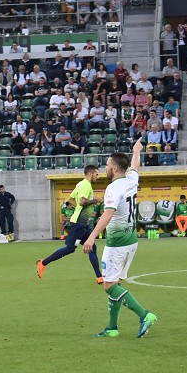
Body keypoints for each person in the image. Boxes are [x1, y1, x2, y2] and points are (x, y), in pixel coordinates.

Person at [83, 139, 158, 339]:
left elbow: (107, 214)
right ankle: (112, 328)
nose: (105, 169)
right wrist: (136, 150)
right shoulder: (131, 179)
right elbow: (135, 166)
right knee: (115, 283)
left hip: (117, 244)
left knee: (109, 286)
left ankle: (145, 315)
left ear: (115, 168)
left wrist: (91, 237)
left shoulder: (113, 188)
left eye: (107, 166)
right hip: (131, 240)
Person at [36, 166, 103, 284]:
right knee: (70, 249)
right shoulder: (86, 185)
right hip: (78, 224)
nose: (98, 177)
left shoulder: (80, 184)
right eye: (97, 174)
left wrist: (79, 208)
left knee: (92, 247)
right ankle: (43, 263)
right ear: (91, 174)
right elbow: (82, 201)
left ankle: (99, 277)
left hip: (83, 224)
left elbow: (70, 200)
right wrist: (96, 201)